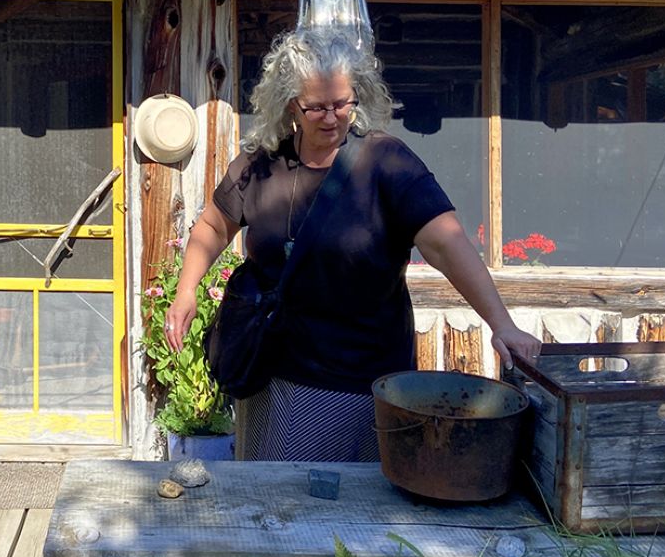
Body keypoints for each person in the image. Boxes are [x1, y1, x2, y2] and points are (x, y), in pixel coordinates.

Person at [163, 28, 542, 463]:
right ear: (291, 104)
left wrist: (502, 323)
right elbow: (213, 226)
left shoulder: (388, 164)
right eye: (317, 107)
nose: (332, 117)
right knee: (274, 509)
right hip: (272, 375)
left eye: (343, 103)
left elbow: (446, 244)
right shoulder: (261, 163)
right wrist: (186, 288)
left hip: (359, 382)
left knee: (346, 516)